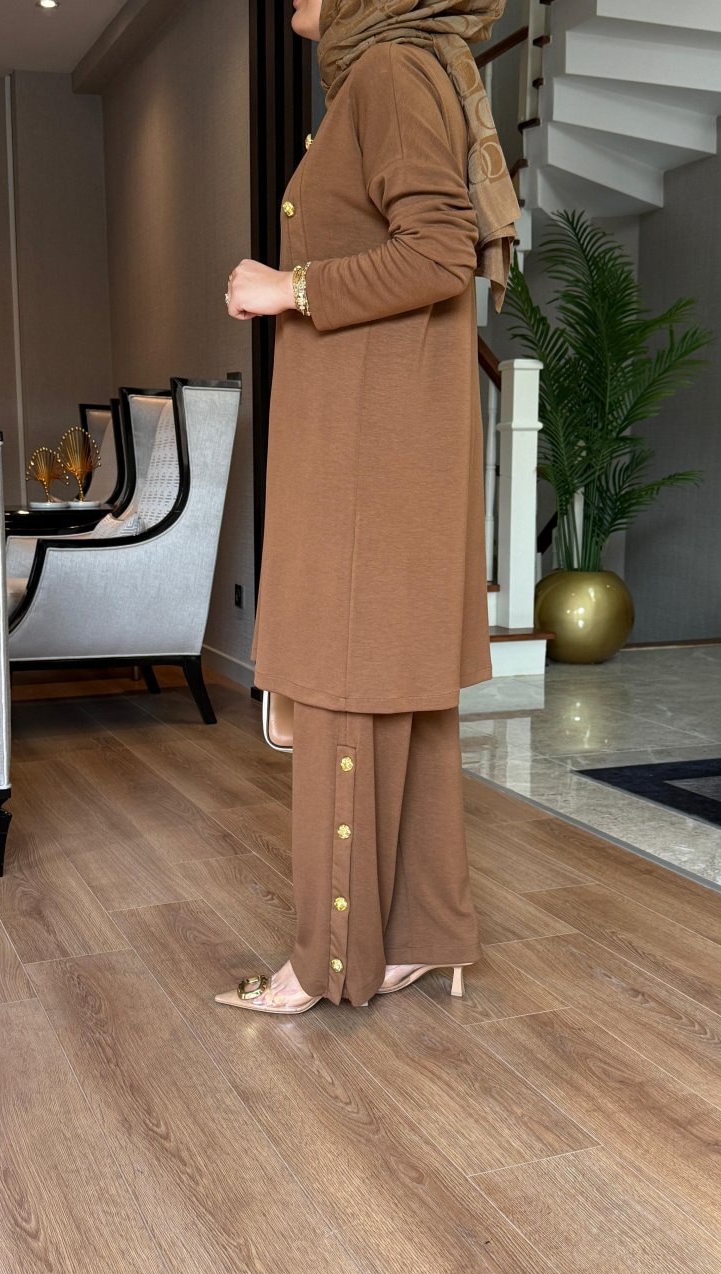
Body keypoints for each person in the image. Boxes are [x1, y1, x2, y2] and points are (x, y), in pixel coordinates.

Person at [220, 0, 521, 1013]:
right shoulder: (397, 67)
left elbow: (437, 251)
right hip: (384, 436)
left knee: (343, 681)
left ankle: (330, 961)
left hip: (369, 447)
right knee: (400, 691)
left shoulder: (388, 70)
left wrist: (288, 289)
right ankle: (425, 934)